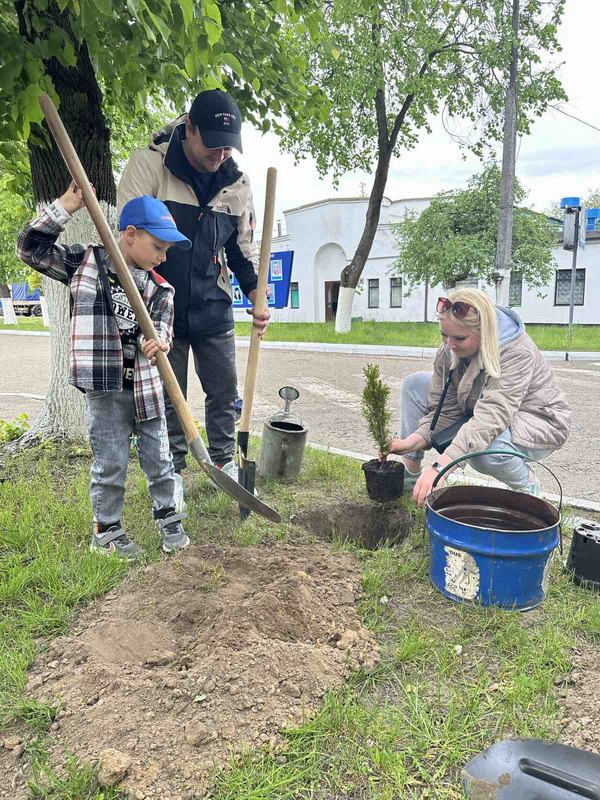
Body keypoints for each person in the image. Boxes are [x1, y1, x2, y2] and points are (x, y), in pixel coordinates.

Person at [17, 185, 193, 558]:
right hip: (105, 386)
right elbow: (30, 249)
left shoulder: (162, 289)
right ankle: (107, 531)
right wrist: (66, 206)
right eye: (158, 247)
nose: (163, 257)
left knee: (160, 458)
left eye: (166, 251)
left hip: (146, 386)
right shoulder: (84, 264)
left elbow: (165, 330)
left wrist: (159, 341)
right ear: (131, 234)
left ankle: (169, 516)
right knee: (110, 461)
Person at [117, 89, 269, 511]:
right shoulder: (149, 166)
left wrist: (258, 296)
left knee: (224, 392)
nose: (219, 155)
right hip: (160, 309)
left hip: (213, 305)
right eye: (212, 144)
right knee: (171, 397)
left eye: (228, 147)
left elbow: (241, 252)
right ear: (189, 128)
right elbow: (125, 242)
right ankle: (175, 473)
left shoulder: (236, 183)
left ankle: (225, 465)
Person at [389, 288, 572, 508]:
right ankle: (412, 477)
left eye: (459, 338)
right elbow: (444, 412)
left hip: (538, 420)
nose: (449, 345)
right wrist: (411, 442)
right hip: (482, 409)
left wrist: (440, 468)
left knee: (484, 448)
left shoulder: (516, 352)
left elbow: (490, 418)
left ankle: (527, 486)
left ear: (484, 332)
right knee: (415, 384)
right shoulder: (450, 349)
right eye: (444, 335)